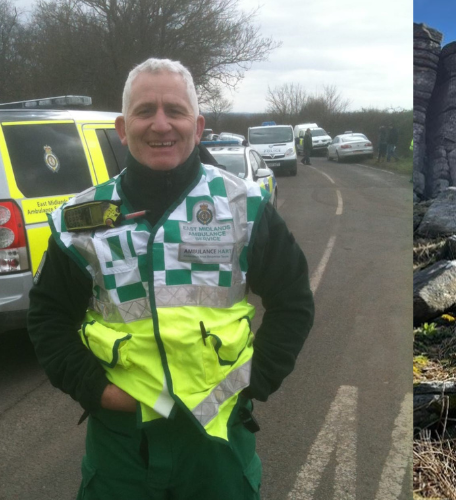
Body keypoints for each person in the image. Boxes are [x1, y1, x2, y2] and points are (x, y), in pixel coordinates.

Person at [26, 58, 314, 499]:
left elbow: (293, 300)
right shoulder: (81, 220)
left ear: (197, 127)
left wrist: (253, 382)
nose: (161, 124)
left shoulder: (243, 205)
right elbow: (48, 319)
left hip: (217, 438)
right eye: (145, 111)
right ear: (123, 128)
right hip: (121, 441)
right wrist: (96, 391)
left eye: (174, 111)